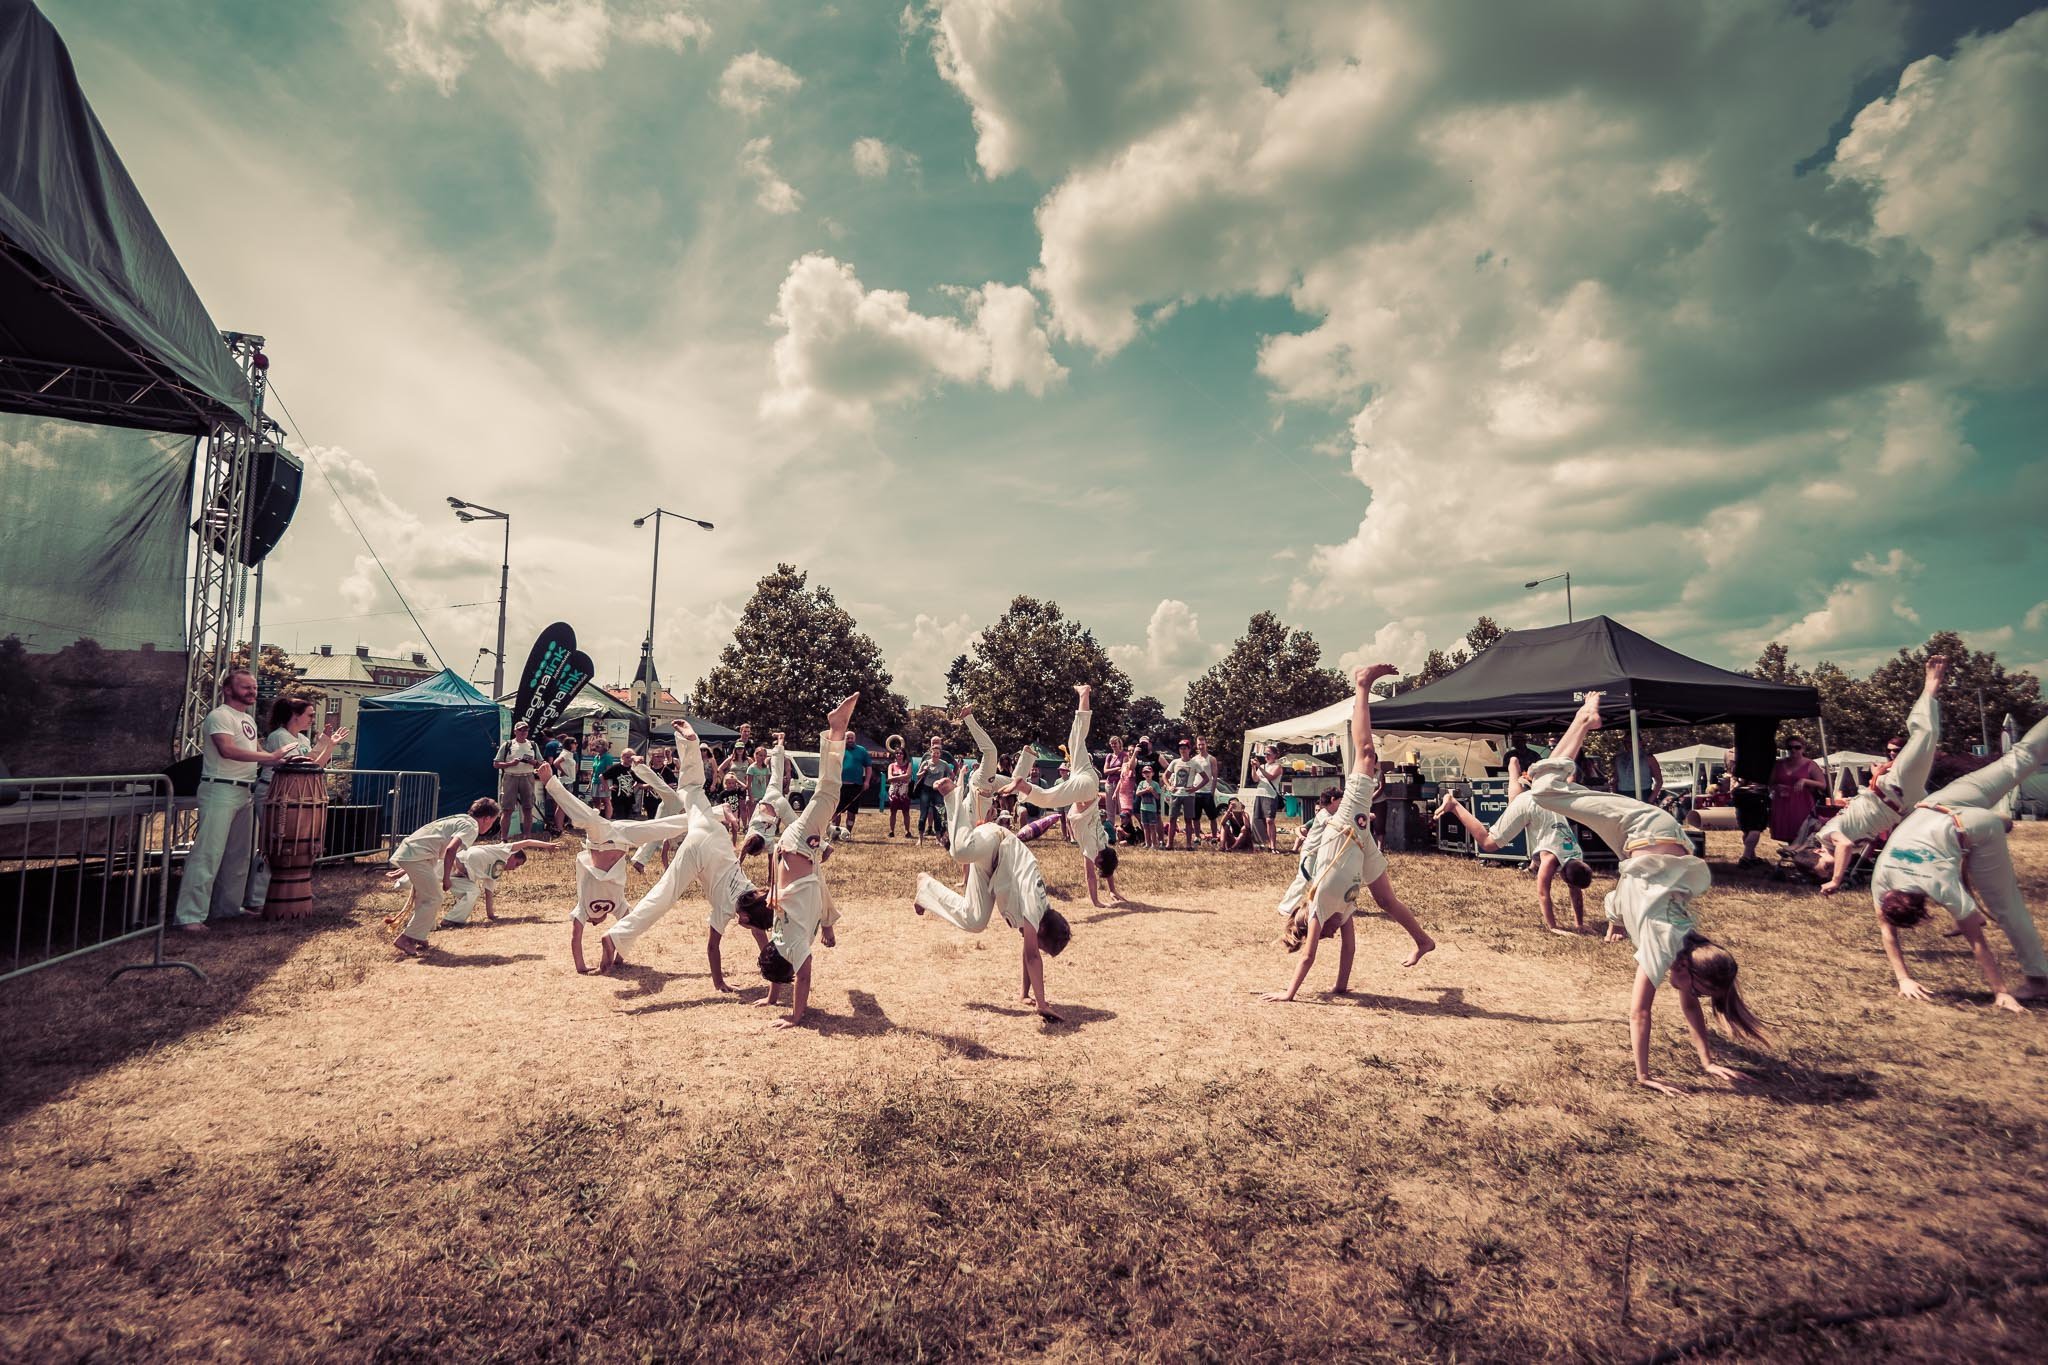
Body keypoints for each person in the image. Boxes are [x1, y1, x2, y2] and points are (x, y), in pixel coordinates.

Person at [1526, 693, 1768, 1092]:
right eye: (1698, 991)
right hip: (1643, 830)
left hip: (1652, 842)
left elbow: (1689, 1006)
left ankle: (1581, 732)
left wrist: (1708, 1061)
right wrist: (1645, 1076)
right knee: (1544, 792)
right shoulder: (1663, 944)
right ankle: (1585, 720)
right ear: (1689, 971)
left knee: (1556, 793)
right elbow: (1640, 1013)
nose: (1692, 998)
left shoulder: (1687, 942)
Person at [1265, 664, 1436, 1003]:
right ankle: (1423, 941)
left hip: (1346, 827)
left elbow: (1308, 957)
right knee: (1385, 900)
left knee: (1367, 755)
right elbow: (1350, 950)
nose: (1330, 936)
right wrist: (1340, 988)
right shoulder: (1341, 914)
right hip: (1359, 845)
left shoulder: (1317, 907)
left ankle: (1362, 684)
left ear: (1312, 925)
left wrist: (1288, 993)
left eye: (1323, 936)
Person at [1869, 711, 2048, 1013]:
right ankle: (1998, 820)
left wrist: (2000, 992)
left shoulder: (1939, 886)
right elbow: (1886, 928)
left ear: (1924, 905)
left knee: (2006, 906)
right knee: (2021, 757)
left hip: (1972, 826)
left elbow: (1977, 942)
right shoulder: (1881, 878)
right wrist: (1903, 978)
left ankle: (2038, 980)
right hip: (1938, 804)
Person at [598, 722, 775, 990]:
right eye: (747, 924)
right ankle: (615, 937)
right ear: (746, 918)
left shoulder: (753, 893)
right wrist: (720, 984)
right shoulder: (727, 909)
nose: (746, 927)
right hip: (699, 851)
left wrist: (771, 971)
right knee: (664, 895)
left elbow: (759, 931)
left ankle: (690, 744)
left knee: (692, 789)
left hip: (715, 834)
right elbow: (713, 948)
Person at [911, 767, 1071, 1022]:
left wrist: (1025, 995)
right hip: (995, 841)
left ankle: (926, 889)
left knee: (975, 920)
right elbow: (1032, 955)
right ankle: (953, 795)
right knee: (961, 852)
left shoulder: (1040, 915)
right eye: (1041, 945)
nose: (1033, 946)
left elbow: (1029, 953)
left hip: (993, 870)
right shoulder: (1034, 907)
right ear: (1041, 930)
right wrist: (1042, 1004)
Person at [1802, 656, 1946, 894]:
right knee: (1939, 828)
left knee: (1926, 734)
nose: (1832, 868)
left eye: (1826, 866)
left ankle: (1931, 684)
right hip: (1905, 806)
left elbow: (1844, 845)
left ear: (1818, 851)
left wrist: (1836, 881)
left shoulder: (1827, 835)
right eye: (1829, 871)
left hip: (1893, 789)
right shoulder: (1849, 846)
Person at [758, 694, 860, 1028]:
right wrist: (771, 997)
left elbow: (803, 978)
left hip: (799, 845)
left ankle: (835, 729)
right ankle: (834, 731)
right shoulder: (780, 939)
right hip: (799, 852)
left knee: (829, 791)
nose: (796, 972)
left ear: (786, 963)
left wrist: (795, 1017)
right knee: (828, 793)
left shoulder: (793, 945)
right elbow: (819, 887)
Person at [173, 670, 297, 933]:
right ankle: (189, 915)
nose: (252, 691)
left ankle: (227, 909)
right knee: (208, 854)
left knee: (239, 855)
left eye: (254, 687)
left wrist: (277, 760)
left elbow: (255, 751)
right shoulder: (220, 716)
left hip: (244, 791)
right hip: (220, 788)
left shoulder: (247, 719)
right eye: (246, 687)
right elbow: (227, 749)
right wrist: (270, 757)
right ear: (228, 689)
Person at [1434, 757, 1592, 934]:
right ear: (1564, 876)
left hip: (1544, 801)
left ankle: (1514, 767)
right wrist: (1553, 927)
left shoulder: (1576, 855)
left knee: (1515, 802)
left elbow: (1576, 891)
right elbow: (1543, 893)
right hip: (1530, 805)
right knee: (1488, 843)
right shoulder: (1550, 858)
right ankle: (1454, 804)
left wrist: (1579, 924)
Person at [1013, 685, 1123, 907]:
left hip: (1085, 776)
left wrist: (1113, 891)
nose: (1095, 865)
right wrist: (1096, 901)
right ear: (1100, 859)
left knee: (1076, 739)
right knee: (1047, 798)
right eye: (1099, 864)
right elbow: (1090, 874)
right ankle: (1022, 785)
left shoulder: (1105, 843)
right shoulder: (1093, 848)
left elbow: (1108, 865)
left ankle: (1084, 695)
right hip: (1085, 787)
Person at [243, 695, 346, 913]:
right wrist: (325, 745)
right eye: (309, 715)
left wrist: (327, 744)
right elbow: (300, 765)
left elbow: (313, 763)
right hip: (273, 793)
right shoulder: (280, 736)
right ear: (294, 715)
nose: (312, 719)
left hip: (291, 797)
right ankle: (258, 897)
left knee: (289, 844)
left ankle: (290, 889)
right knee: (273, 842)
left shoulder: (301, 739)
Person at [387, 798, 503, 957]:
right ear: (487, 818)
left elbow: (433, 841)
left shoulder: (461, 819)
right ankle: (406, 939)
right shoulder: (471, 827)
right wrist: (447, 878)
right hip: (417, 856)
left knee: (425, 897)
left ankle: (419, 935)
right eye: (493, 821)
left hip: (414, 853)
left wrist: (404, 868)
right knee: (434, 897)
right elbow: (450, 850)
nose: (491, 825)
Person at [394, 836, 555, 926]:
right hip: (451, 863)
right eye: (517, 864)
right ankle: (403, 875)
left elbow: (489, 892)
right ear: (513, 856)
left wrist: (491, 915)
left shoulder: (496, 873)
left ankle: (451, 920)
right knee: (406, 883)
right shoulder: (503, 850)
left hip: (459, 878)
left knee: (473, 891)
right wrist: (547, 845)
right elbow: (527, 842)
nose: (515, 868)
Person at [1768, 736, 1826, 845]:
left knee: (1801, 833)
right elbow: (1770, 783)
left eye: (1797, 747)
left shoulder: (1810, 764)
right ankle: (1792, 852)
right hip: (1782, 803)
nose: (1793, 750)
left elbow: (1823, 785)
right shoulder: (1778, 764)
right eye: (1790, 748)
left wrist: (1805, 781)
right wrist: (1777, 787)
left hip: (1802, 803)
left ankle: (1798, 853)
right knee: (1788, 835)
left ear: (1803, 748)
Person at [494, 721, 544, 836]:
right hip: (510, 777)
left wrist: (534, 762)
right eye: (520, 730)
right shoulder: (507, 745)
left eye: (525, 730)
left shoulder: (533, 745)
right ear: (515, 731)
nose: (523, 732)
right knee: (507, 810)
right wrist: (510, 763)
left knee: (528, 808)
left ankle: (527, 837)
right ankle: (504, 838)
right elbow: (496, 764)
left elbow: (541, 763)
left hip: (527, 777)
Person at [834, 728, 872, 840]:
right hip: (839, 785)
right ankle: (835, 833)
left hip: (855, 786)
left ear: (855, 739)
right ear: (844, 739)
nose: (850, 740)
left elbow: (868, 767)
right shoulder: (838, 749)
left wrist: (867, 781)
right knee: (836, 811)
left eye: (852, 738)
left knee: (851, 812)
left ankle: (847, 834)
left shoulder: (862, 750)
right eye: (848, 738)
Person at [913, 737, 952, 845]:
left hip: (938, 791)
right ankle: (920, 838)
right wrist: (924, 771)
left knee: (938, 814)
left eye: (937, 753)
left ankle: (938, 838)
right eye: (934, 753)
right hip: (926, 789)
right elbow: (917, 775)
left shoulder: (944, 764)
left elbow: (952, 774)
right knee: (923, 814)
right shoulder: (926, 762)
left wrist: (946, 783)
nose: (935, 755)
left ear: (940, 754)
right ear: (931, 753)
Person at [1251, 745, 1284, 851]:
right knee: (1259, 820)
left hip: (1270, 795)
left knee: (1269, 820)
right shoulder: (1263, 766)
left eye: (1268, 754)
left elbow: (1271, 777)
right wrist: (1254, 767)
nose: (1266, 756)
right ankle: (1262, 843)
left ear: (1275, 755)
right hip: (1260, 794)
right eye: (1265, 754)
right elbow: (1255, 779)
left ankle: (1272, 845)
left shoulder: (1277, 766)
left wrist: (1259, 767)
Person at [1190, 736, 1221, 842]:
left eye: (1203, 744)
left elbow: (1215, 776)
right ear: (1196, 745)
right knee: (1195, 817)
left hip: (1207, 792)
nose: (1201, 746)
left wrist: (1212, 791)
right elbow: (1191, 775)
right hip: (1196, 792)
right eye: (1199, 744)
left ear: (1206, 745)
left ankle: (1214, 837)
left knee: (1212, 817)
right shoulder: (1194, 759)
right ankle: (1197, 837)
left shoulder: (1211, 759)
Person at [885, 741, 914, 837]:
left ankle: (907, 831)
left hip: (905, 792)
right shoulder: (891, 766)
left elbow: (908, 776)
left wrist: (896, 778)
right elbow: (889, 778)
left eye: (901, 753)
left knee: (906, 812)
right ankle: (891, 831)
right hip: (894, 792)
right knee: (893, 812)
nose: (899, 755)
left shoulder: (908, 764)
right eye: (897, 753)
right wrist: (902, 777)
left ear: (904, 755)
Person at [1136, 764, 1165, 848]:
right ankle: (1147, 843)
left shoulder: (1155, 784)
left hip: (1152, 809)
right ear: (1143, 775)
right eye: (1145, 773)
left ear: (1152, 774)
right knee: (1145, 826)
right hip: (1143, 808)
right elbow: (1137, 793)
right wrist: (1145, 790)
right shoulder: (1142, 783)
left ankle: (1154, 843)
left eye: (1149, 772)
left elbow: (1158, 797)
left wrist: (1152, 791)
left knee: (1152, 827)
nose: (1147, 774)